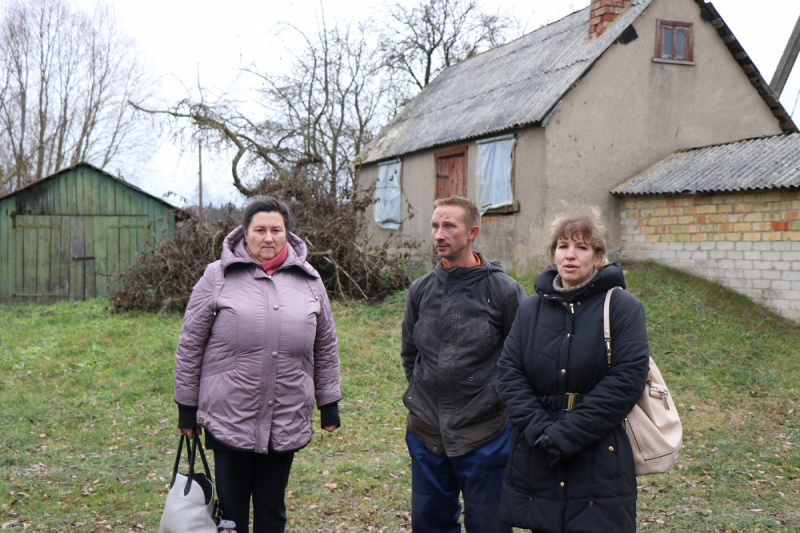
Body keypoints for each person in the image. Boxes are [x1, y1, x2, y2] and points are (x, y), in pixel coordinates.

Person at [173, 197, 341, 533]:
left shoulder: (310, 280)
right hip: (229, 413)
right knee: (231, 515)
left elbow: (325, 344)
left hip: (286, 412)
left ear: (287, 234)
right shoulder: (217, 276)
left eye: (276, 230)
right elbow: (190, 345)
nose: (268, 237)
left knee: (272, 510)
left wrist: (330, 403)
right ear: (244, 234)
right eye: (260, 230)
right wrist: (186, 409)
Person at [495, 207, 650, 533]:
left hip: (598, 453)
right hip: (539, 452)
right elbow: (509, 372)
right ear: (552, 255)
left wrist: (567, 435)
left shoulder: (623, 307)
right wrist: (540, 431)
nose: (570, 255)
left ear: (598, 257)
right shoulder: (530, 309)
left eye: (581, 247)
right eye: (562, 246)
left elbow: (626, 380)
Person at [401, 196, 526, 533]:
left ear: (472, 232)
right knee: (430, 525)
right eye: (434, 226)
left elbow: (522, 360)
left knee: (490, 526)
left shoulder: (505, 292)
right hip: (427, 433)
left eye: (448, 226)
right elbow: (410, 353)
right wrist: (422, 393)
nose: (438, 234)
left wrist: (496, 401)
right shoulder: (420, 290)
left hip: (486, 435)